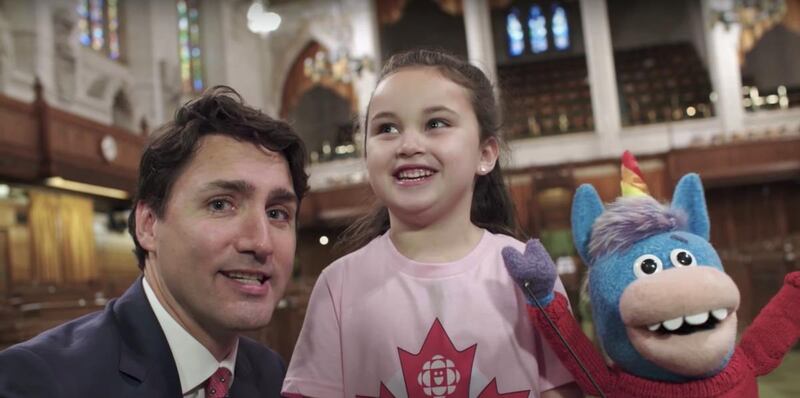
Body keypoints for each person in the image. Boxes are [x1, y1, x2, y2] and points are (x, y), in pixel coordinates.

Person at [282, 49, 582, 398]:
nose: (408, 145)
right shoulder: (339, 285)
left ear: (485, 154)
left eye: (436, 124)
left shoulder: (525, 273)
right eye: (386, 128)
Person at [0, 86, 309, 397]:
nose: (261, 242)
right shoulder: (39, 381)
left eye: (277, 213)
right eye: (220, 204)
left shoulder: (271, 372)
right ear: (148, 225)